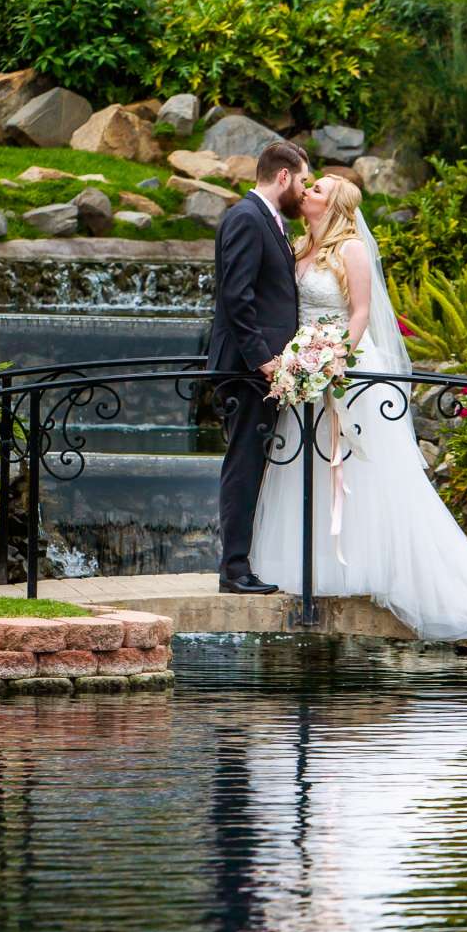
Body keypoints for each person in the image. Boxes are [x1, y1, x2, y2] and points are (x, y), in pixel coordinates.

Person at [250, 174, 467, 640]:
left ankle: (376, 567)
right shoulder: (299, 247)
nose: (307, 193)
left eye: (317, 189)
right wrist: (302, 364)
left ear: (336, 204)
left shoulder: (352, 250)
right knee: (310, 469)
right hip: (306, 372)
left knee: (367, 474)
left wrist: (336, 358)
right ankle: (315, 569)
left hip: (350, 371)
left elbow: (359, 313)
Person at [207, 138, 309, 593]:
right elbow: (236, 296)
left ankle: (243, 564)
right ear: (283, 176)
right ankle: (234, 570)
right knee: (244, 463)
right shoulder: (247, 218)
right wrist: (263, 360)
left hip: (263, 370)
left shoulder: (267, 220)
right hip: (249, 372)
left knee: (254, 462)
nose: (304, 191)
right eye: (303, 180)